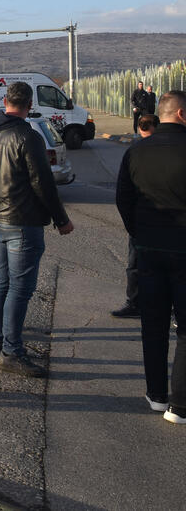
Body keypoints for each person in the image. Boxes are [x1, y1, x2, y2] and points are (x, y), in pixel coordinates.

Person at [0, 82, 74, 377]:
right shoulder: (27, 136)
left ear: (5, 100)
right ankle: (11, 352)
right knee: (19, 288)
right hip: (21, 221)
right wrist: (61, 219)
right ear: (29, 104)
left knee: (1, 281)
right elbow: (42, 183)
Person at [115, 90, 186, 425]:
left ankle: (156, 395)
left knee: (153, 324)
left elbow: (123, 198)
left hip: (149, 249)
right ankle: (180, 404)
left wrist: (139, 232)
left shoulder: (136, 150)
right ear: (182, 114)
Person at [112, 113, 158, 318]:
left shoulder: (133, 152)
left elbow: (123, 194)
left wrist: (131, 224)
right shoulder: (174, 149)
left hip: (141, 222)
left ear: (139, 129)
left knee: (135, 266)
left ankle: (134, 303)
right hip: (171, 223)